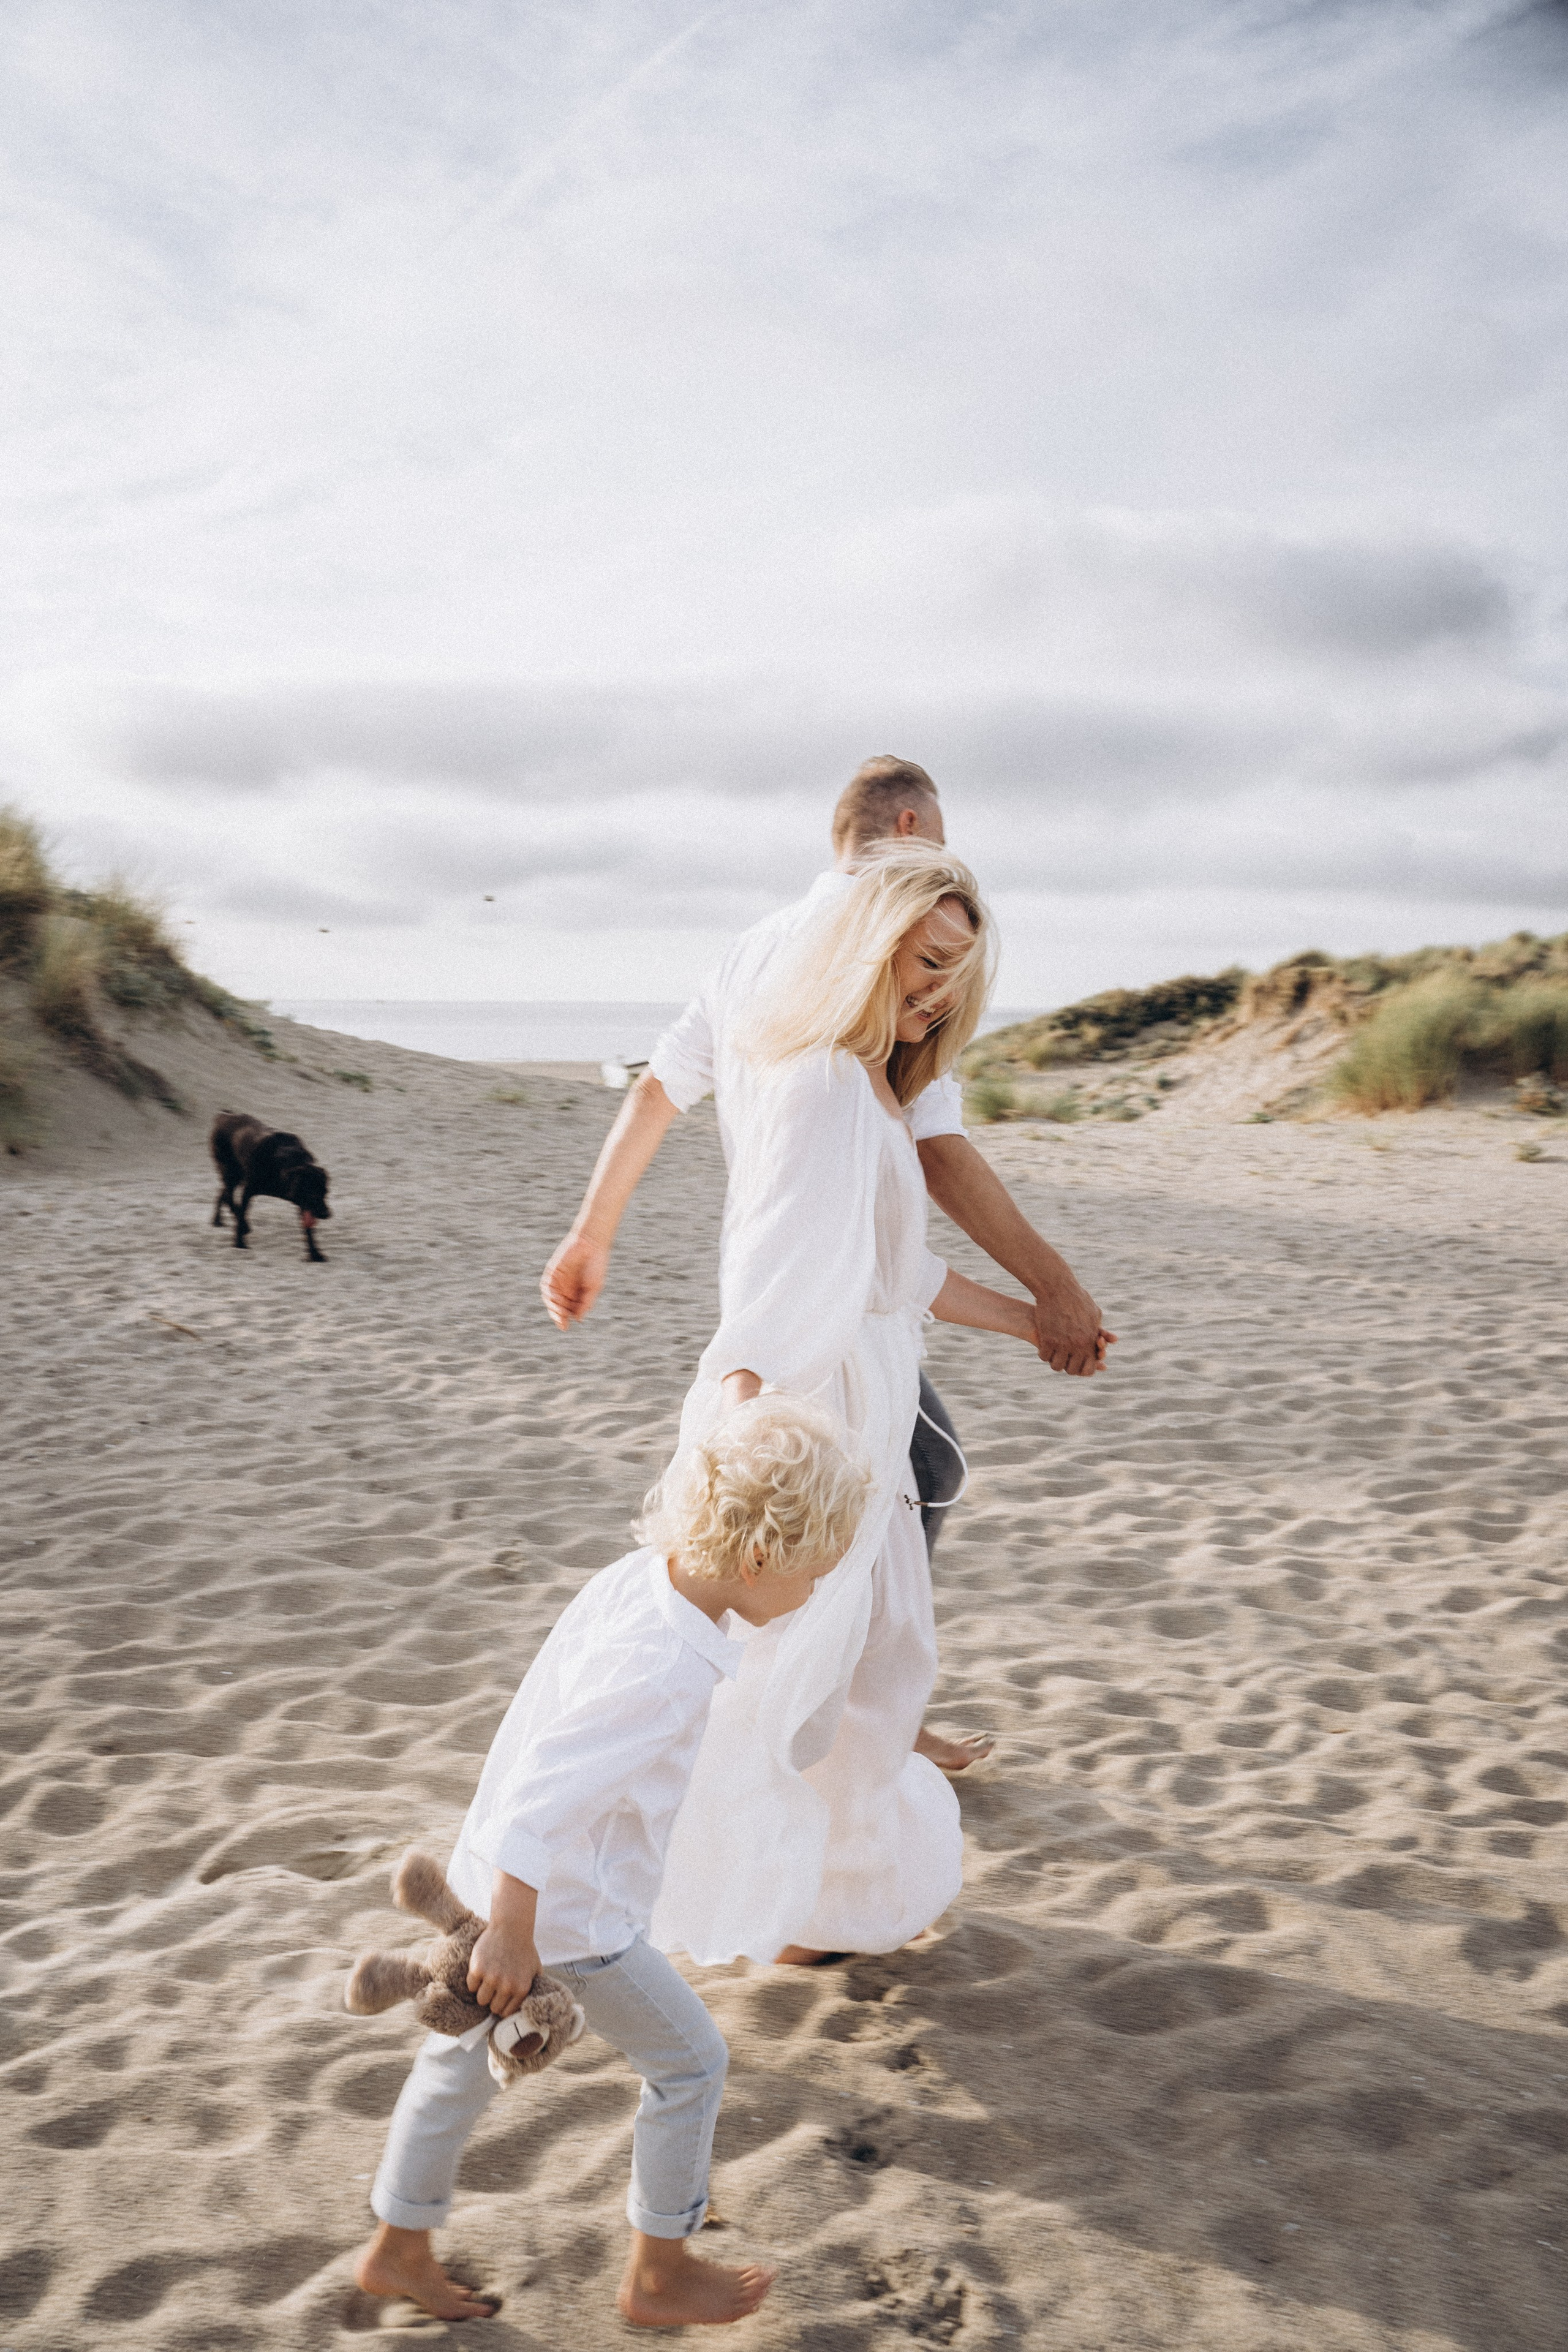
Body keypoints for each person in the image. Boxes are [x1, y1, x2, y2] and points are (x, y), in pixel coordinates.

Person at [541, 755, 1110, 1775]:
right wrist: (1052, 1289)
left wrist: (592, 1233)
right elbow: (932, 1162)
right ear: (907, 825)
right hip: (809, 1319)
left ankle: (862, 1726)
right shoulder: (855, 1041)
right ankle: (845, 1734)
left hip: (835, 1295)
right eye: (931, 967)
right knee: (848, 1539)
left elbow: (657, 1096)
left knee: (879, 1517)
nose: (938, 994)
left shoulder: (758, 959)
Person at [635, 841, 1070, 1970]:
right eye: (924, 960)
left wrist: (1034, 1323)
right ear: (868, 938)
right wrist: (746, 1415)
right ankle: (781, 1905)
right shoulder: (824, 1083)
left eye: (955, 976)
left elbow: (898, 1278)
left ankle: (827, 1898)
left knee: (869, 1665)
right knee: (807, 1674)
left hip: (866, 1406)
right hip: (813, 1412)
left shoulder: (870, 1084)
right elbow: (768, 1271)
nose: (936, 990)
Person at [353, 1395, 870, 2328]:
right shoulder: (662, 1666)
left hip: (503, 1886)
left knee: (455, 2069)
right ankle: (659, 2275)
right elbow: (550, 1786)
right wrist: (514, 1932)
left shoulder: (647, 1578)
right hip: (562, 1924)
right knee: (692, 2065)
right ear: (760, 1558)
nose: (814, 1593)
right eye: (814, 1574)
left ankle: (398, 2245)